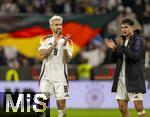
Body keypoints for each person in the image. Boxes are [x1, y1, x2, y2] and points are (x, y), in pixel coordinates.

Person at [105, 18, 147, 117]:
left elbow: (135, 56)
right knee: (122, 106)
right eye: (122, 27)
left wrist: (122, 47)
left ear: (132, 27)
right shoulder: (121, 40)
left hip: (134, 78)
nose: (123, 29)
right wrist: (114, 50)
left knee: (138, 106)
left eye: (126, 27)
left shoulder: (138, 40)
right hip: (121, 78)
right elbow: (114, 60)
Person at [37, 15, 73, 117]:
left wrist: (65, 47)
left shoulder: (68, 41)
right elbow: (42, 56)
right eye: (56, 25)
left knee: (61, 106)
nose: (59, 27)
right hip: (46, 78)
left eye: (60, 24)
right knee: (42, 106)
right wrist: (54, 44)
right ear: (51, 27)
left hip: (61, 78)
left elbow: (67, 60)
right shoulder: (45, 39)